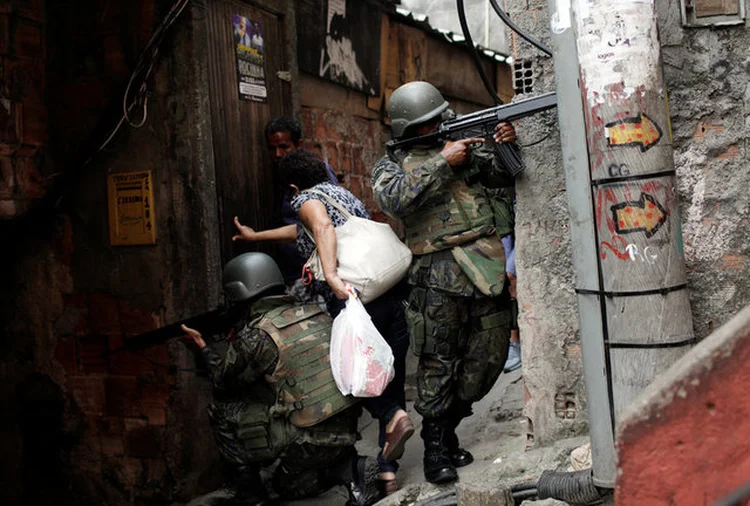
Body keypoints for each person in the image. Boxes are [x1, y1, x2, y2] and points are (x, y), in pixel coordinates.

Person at [234, 149, 413, 496]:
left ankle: (390, 417)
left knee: (352, 374)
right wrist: (256, 237)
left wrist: (330, 275)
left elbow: (321, 226)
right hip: (388, 290)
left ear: (291, 186)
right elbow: (302, 232)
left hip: (357, 297)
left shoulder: (304, 198)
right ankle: (388, 471)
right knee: (390, 372)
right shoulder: (340, 193)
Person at [371, 81, 516, 484]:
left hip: (484, 265)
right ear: (405, 130)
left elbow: (506, 176)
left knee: (489, 356)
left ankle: (450, 424)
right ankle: (437, 446)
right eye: (424, 125)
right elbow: (395, 201)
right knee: (437, 360)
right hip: (434, 275)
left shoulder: (464, 145)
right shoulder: (390, 164)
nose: (435, 127)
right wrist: (442, 161)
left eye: (436, 119)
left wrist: (504, 143)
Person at [181, 252, 380, 506]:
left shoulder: (257, 335)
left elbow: (223, 381)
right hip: (347, 427)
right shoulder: (315, 314)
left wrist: (202, 348)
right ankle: (350, 468)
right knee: (290, 484)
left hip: (305, 439)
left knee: (222, 411)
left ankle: (250, 492)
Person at [234, 117, 339, 286]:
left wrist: (331, 274)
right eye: (272, 148)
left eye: (283, 147)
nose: (277, 154)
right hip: (292, 270)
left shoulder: (315, 171)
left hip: (317, 270)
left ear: (298, 144)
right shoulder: (278, 175)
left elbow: (325, 222)